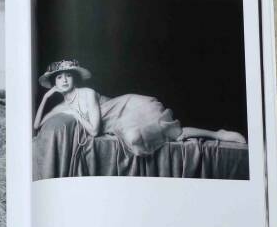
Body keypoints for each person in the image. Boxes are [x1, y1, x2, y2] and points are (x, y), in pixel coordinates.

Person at [33, 59, 246, 157]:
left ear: (74, 78)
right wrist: (46, 99)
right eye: (59, 77)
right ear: (54, 83)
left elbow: (95, 131)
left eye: (68, 75)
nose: (64, 80)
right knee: (139, 139)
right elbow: (36, 126)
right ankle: (212, 133)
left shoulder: (87, 93)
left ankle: (219, 134)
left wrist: (75, 115)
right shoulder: (62, 105)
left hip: (126, 108)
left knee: (172, 132)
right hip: (116, 124)